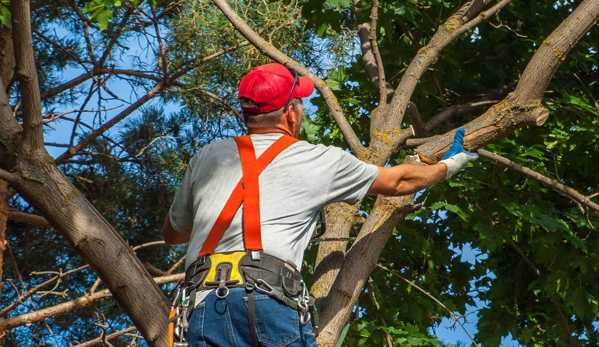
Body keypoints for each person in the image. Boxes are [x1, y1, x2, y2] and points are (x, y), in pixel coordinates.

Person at [163, 63, 478, 347]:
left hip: (202, 310)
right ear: (291, 113)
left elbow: (173, 234)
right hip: (269, 304)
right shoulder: (319, 160)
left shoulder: (208, 157)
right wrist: (449, 165)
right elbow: (399, 182)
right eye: (299, 104)